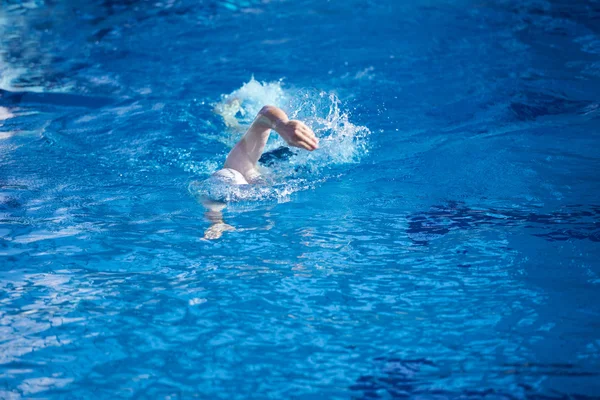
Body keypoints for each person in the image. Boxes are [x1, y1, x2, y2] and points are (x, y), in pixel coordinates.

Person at [202, 105, 319, 239]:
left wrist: (283, 125)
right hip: (264, 159)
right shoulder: (240, 175)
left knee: (233, 130)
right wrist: (216, 223)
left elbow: (266, 112)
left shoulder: (238, 165)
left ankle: (228, 109)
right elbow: (214, 203)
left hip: (261, 154)